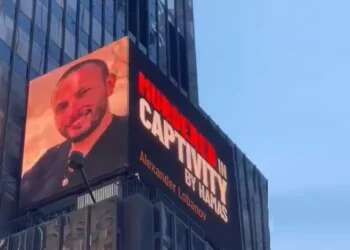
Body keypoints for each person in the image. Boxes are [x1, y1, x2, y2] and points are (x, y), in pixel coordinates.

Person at [21, 59, 127, 207]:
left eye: (83, 93)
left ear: (109, 85)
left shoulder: (130, 137)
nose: (72, 112)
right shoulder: (46, 163)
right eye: (62, 106)